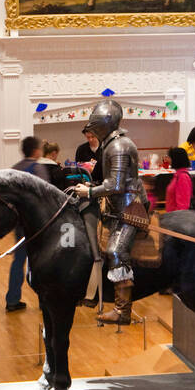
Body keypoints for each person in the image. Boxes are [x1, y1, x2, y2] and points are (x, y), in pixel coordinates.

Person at [73, 100, 147, 325]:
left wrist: (89, 192)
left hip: (128, 208)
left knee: (116, 251)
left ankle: (122, 311)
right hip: (115, 207)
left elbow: (115, 185)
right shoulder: (113, 143)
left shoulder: (119, 146)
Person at [5, 136, 46, 312]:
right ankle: (44, 300)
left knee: (18, 260)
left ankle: (13, 299)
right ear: (36, 151)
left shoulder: (15, 169)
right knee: (40, 263)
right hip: (36, 224)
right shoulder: (38, 168)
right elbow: (44, 194)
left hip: (19, 223)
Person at [165, 147, 193, 212]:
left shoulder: (182, 177)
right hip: (172, 216)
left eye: (169, 157)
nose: (167, 159)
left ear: (176, 159)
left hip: (177, 218)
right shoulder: (178, 174)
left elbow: (183, 206)